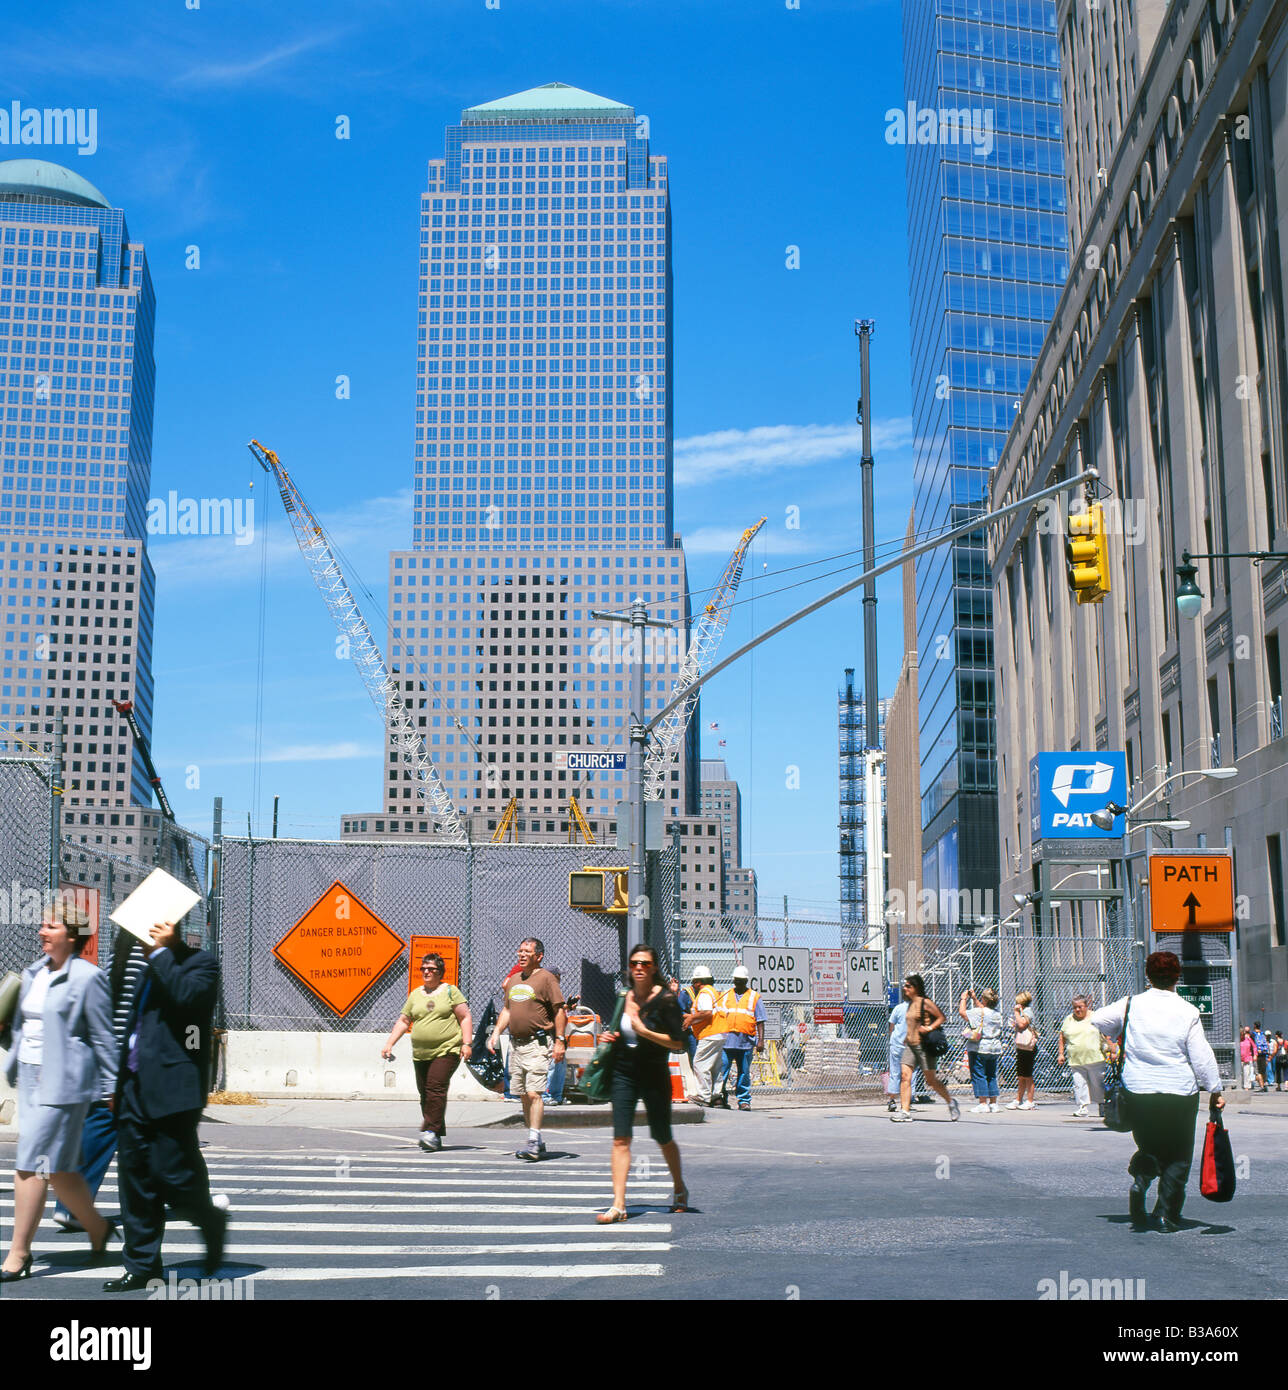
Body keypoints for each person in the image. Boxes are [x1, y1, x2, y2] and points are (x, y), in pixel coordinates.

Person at [102, 920, 226, 1293]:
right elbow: (132, 1028)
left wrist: (160, 954)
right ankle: (142, 1265)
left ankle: (209, 1219)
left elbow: (189, 1001)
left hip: (174, 1092)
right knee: (135, 1179)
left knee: (175, 1176)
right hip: (134, 1089)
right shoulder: (144, 970)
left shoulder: (201, 964)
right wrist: (117, 1084)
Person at [1, 901, 119, 1281]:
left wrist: (111, 1086)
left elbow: (104, 1037)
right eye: (42, 924)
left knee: (31, 1163)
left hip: (64, 1084)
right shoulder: (33, 972)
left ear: (71, 935)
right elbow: (22, 1027)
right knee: (62, 1171)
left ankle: (18, 1255)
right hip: (32, 1077)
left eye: (51, 926)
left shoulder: (88, 978)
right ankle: (99, 1230)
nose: (42, 931)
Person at [1089, 950, 1224, 1232]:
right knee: (1178, 1154)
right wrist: (1215, 1088)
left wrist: (1119, 1035)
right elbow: (1200, 1056)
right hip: (1179, 1092)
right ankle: (1166, 1215)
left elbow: (1098, 1019)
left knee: (1149, 1144)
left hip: (1139, 1090)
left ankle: (1141, 1178)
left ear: (1147, 976)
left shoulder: (1132, 1005)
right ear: (1177, 977)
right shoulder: (1187, 1010)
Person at [50, 930, 148, 1234]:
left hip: (106, 1056)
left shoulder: (113, 958)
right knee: (153, 1133)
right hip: (129, 1059)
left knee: (100, 1129)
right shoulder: (144, 960)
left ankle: (70, 1206)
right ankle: (71, 1207)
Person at [595, 943, 689, 1223]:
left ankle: (679, 1188)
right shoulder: (624, 996)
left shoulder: (667, 1000)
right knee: (620, 1138)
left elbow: (678, 1043)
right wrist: (611, 1038)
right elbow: (623, 1031)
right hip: (624, 1071)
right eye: (634, 963)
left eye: (645, 963)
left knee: (662, 1136)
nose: (638, 967)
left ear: (654, 968)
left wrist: (645, 1031)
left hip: (654, 1072)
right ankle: (619, 1205)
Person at [381, 953, 472, 1152]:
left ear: (440, 972)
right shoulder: (415, 994)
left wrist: (467, 1043)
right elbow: (404, 1021)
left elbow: (464, 1017)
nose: (427, 972)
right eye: (424, 968)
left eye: (432, 969)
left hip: (446, 1049)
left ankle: (430, 1130)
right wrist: (389, 1043)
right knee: (425, 1093)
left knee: (435, 1087)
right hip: (421, 1053)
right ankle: (435, 1134)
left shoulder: (450, 991)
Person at [487, 937, 566, 1161]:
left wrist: (560, 1040)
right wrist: (496, 1033)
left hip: (538, 1044)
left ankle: (533, 1138)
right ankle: (536, 1141)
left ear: (538, 956)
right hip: (516, 1045)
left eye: (527, 952)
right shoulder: (513, 981)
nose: (521, 955)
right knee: (522, 1094)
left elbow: (560, 1011)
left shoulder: (546, 979)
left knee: (534, 1093)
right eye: (520, 950)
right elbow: (507, 1010)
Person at [891, 975, 959, 1121]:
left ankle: (951, 1102)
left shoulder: (925, 1002)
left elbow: (942, 1017)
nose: (905, 988)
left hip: (924, 1046)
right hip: (910, 1046)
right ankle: (905, 1111)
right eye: (905, 985)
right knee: (905, 1076)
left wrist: (929, 1028)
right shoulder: (909, 1004)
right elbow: (911, 1023)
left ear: (916, 988)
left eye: (908, 986)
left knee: (931, 1081)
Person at [716, 966, 764, 1111]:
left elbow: (760, 1020)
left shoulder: (754, 997)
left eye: (742, 981)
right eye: (737, 981)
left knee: (744, 1072)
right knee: (722, 1070)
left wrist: (760, 1040)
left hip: (746, 1042)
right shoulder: (725, 995)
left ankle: (744, 1100)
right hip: (727, 1040)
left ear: (746, 981)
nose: (739, 984)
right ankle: (719, 1097)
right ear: (734, 981)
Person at [1058, 994, 1107, 1117]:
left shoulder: (1095, 1017)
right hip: (1076, 1059)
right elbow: (1062, 1036)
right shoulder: (1069, 1019)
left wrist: (1111, 1049)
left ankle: (1103, 1104)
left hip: (1095, 1058)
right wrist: (1061, 1054)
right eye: (1075, 1007)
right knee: (1079, 1084)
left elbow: (1106, 1034)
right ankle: (1083, 1107)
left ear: (1086, 1006)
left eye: (1080, 1007)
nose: (1077, 1010)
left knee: (1098, 1084)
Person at [958, 986, 1003, 1113]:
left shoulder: (979, 1012)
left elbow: (963, 1013)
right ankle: (993, 1103)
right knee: (991, 1075)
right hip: (994, 1047)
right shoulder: (997, 1014)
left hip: (979, 1047)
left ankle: (983, 1103)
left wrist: (963, 999)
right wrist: (975, 998)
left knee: (979, 1074)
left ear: (984, 1000)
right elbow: (984, 1010)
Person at [684, 966, 724, 1107]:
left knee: (700, 1063)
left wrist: (690, 1019)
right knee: (715, 1066)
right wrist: (691, 1017)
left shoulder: (704, 993)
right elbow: (708, 1013)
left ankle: (703, 1096)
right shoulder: (713, 992)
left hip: (710, 1033)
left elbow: (706, 1013)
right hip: (719, 1033)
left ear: (698, 982)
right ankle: (716, 1096)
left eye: (693, 982)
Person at [1006, 990, 1039, 1109]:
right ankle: (1018, 1099)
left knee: (1027, 1074)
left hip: (1029, 1047)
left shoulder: (1027, 1012)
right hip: (1021, 1047)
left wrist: (1016, 1012)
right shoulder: (1022, 1012)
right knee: (1021, 1074)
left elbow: (1022, 1024)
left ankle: (1030, 1101)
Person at [543, 969, 568, 1105]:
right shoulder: (547, 991)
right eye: (558, 976)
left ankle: (557, 1095)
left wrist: (567, 1007)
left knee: (560, 1066)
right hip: (551, 1035)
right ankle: (546, 1095)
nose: (559, 979)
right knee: (552, 1066)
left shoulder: (555, 992)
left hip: (559, 1036)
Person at [1253, 1023, 1270, 1091]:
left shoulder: (1253, 1034)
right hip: (1264, 1054)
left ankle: (1262, 1086)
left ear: (1254, 1026)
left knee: (1258, 1072)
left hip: (1257, 1055)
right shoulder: (1263, 1034)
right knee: (1263, 1071)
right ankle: (1265, 1085)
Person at [1238, 1026, 1257, 1090]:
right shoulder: (1237, 1040)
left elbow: (1254, 1047)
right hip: (1239, 1060)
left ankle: (1247, 1087)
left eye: (1243, 1035)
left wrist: (1255, 1055)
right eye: (1241, 1035)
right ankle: (1239, 1085)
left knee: (1247, 1073)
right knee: (1240, 1074)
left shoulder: (1248, 1039)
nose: (1242, 1036)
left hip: (1247, 1058)